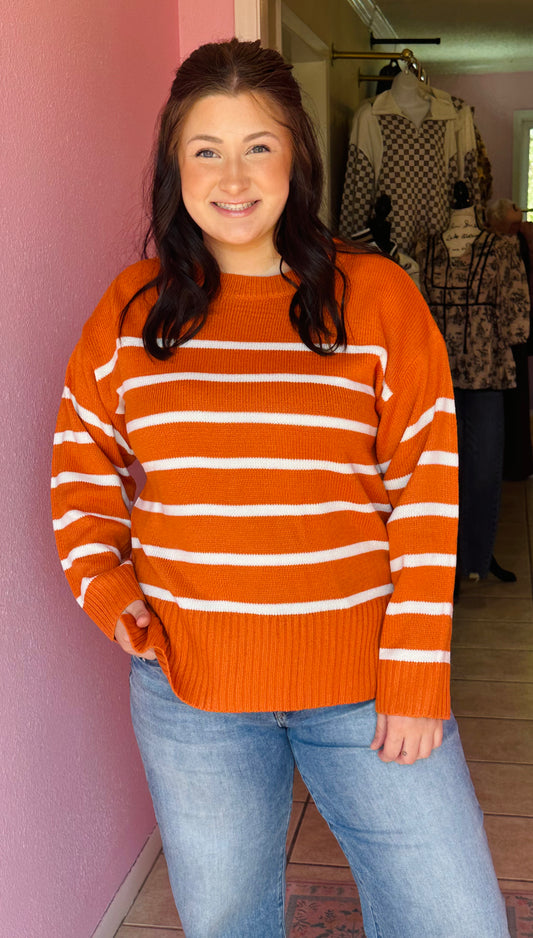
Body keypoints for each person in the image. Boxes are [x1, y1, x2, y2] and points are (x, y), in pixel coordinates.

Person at [51, 38, 510, 938]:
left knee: (455, 921)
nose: (233, 176)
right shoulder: (131, 312)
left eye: (258, 146)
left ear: (296, 155)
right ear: (173, 167)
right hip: (192, 694)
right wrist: (109, 592)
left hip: (367, 684)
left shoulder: (374, 299)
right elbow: (79, 470)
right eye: (205, 150)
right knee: (227, 921)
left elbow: (424, 487)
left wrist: (417, 672)